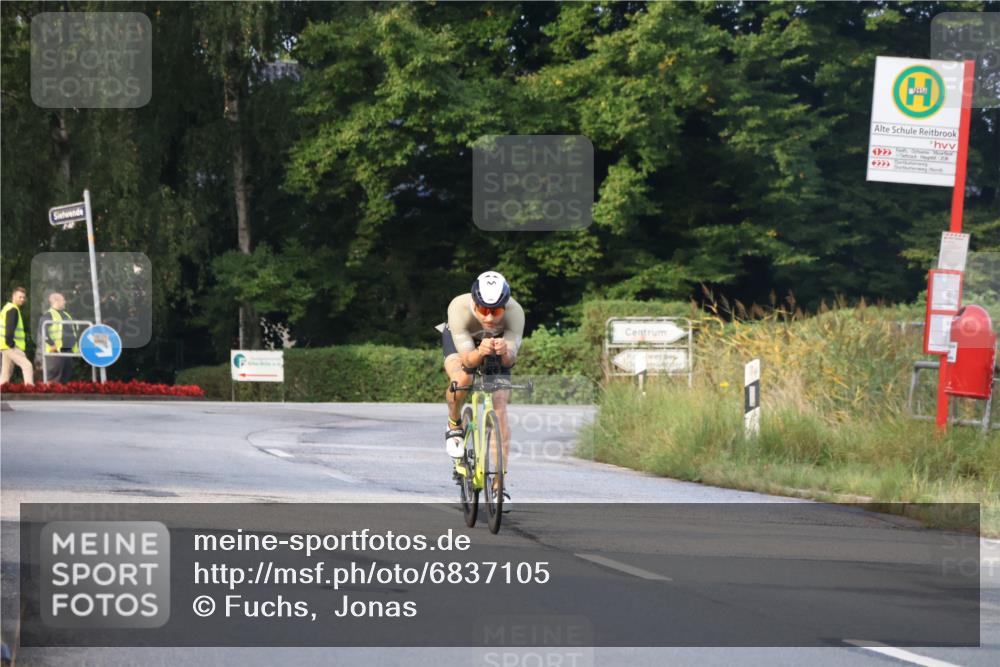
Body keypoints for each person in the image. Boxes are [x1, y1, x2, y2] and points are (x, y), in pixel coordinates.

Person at [442, 271, 524, 509]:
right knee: (462, 379)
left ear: (505, 306)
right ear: (474, 303)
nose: (488, 317)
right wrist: (480, 351)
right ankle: (454, 424)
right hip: (463, 344)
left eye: (496, 311)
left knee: (500, 406)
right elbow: (468, 360)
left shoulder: (515, 313)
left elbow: (510, 360)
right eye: (483, 309)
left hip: (497, 345)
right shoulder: (459, 307)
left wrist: (504, 352)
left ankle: (499, 486)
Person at [39, 292, 79, 383]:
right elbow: (43, 331)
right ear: (56, 301)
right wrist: (52, 344)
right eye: (63, 300)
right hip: (55, 352)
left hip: (67, 351)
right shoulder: (48, 315)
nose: (65, 302)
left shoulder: (66, 314)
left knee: (66, 377)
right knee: (54, 378)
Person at [0, 286, 34, 386]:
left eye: (24, 297)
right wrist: (11, 344)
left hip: (4, 345)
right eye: (20, 297)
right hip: (10, 346)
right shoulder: (13, 310)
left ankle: (2, 389)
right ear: (13, 296)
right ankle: (30, 389)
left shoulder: (7, 308)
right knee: (27, 366)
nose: (22, 299)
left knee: (6, 373)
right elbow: (9, 328)